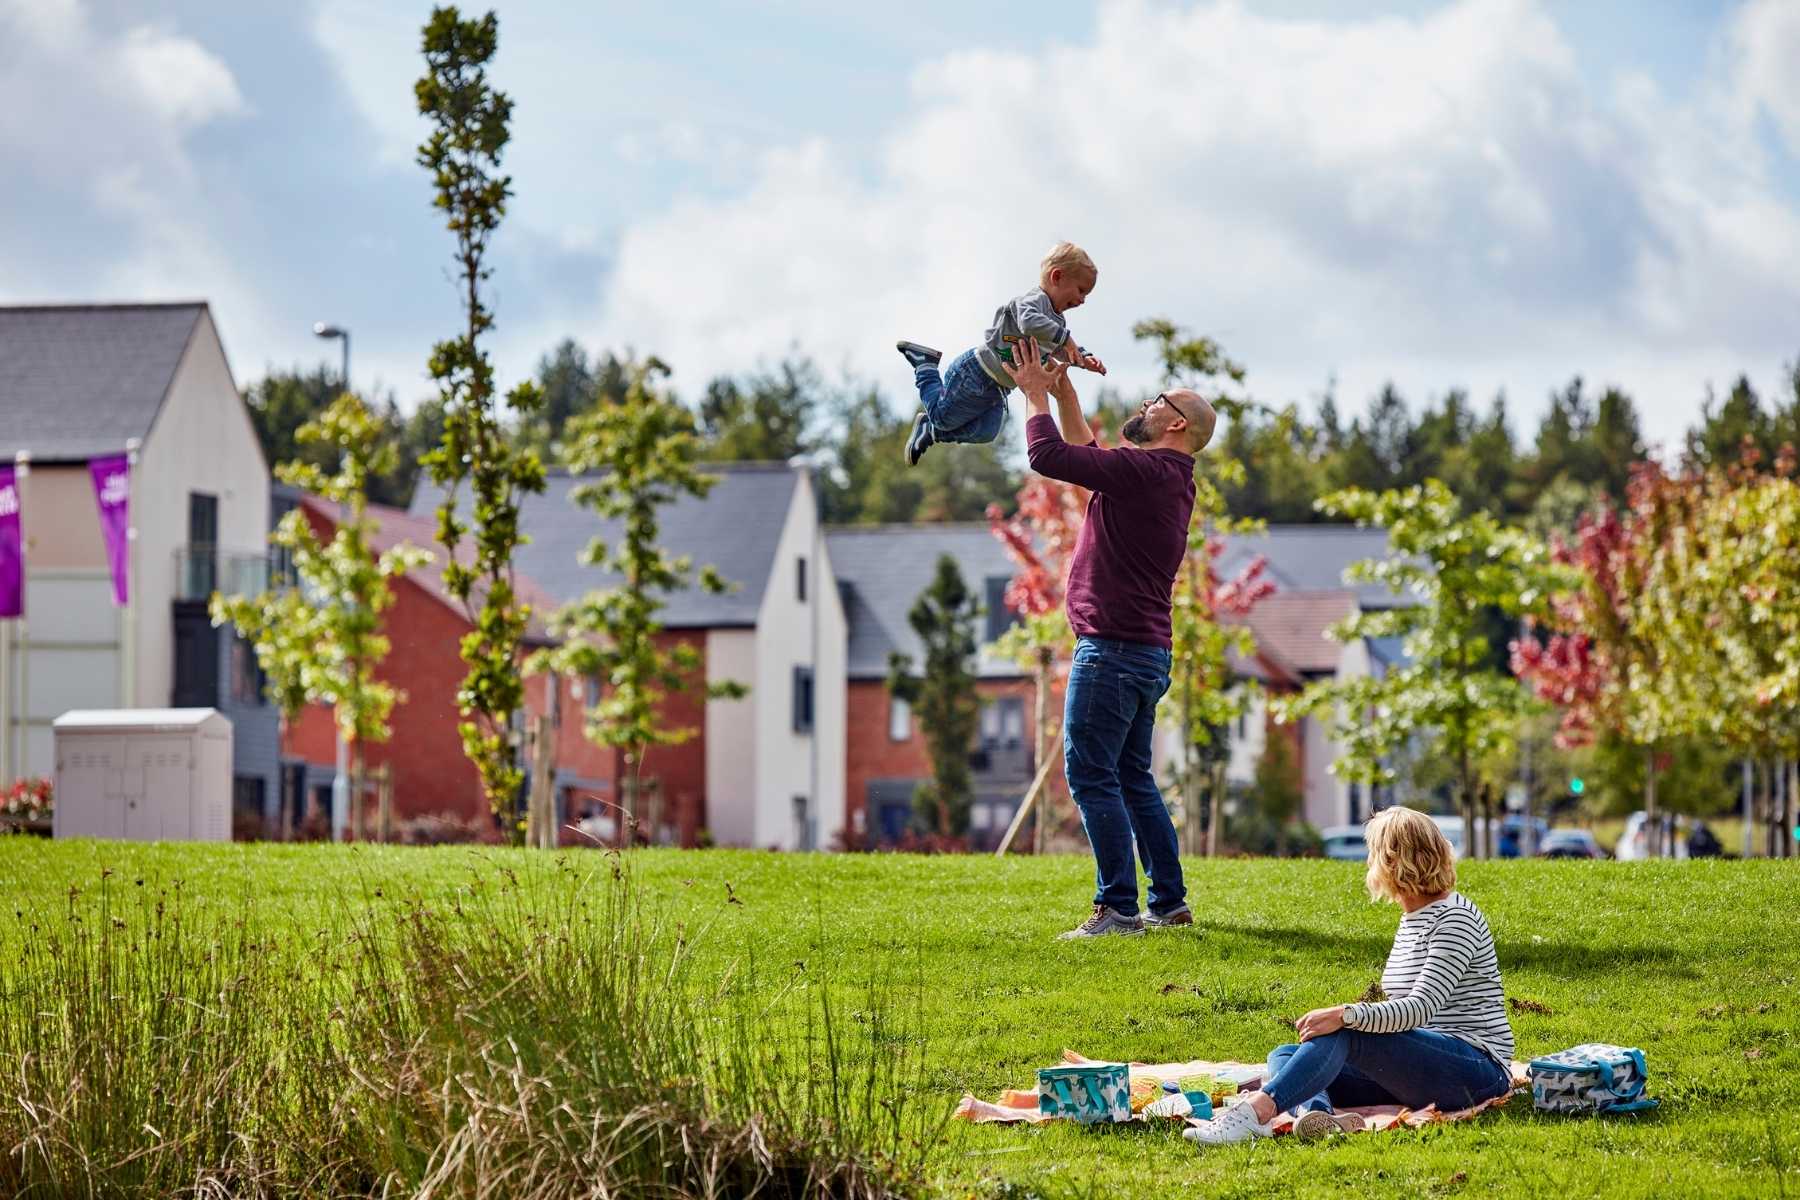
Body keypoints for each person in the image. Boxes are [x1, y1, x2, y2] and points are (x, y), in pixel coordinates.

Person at [1005, 340, 1216, 939]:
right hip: (1145, 653)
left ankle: (1118, 909)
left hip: (1114, 652)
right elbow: (1088, 456)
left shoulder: (1148, 472)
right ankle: (1169, 904)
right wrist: (1066, 390)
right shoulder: (1167, 478)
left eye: (1158, 400)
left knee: (1092, 774)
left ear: (1175, 422)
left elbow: (1048, 455)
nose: (1146, 403)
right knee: (1132, 776)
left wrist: (1033, 393)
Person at [1185, 806, 1517, 1145]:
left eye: (1373, 853)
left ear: (1391, 861)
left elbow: (1420, 1009)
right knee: (1285, 1056)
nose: (1368, 863)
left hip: (1476, 1070)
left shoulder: (1454, 919)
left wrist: (1345, 1015)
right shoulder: (1414, 916)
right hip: (1426, 1067)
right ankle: (1318, 1117)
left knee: (1345, 1032)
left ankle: (1254, 1114)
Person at [895, 242, 1106, 466]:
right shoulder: (1032, 302)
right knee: (941, 416)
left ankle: (932, 432)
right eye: (1081, 290)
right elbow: (1029, 323)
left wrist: (1082, 358)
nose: (1083, 300)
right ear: (1057, 277)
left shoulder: (1056, 322)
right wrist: (1066, 338)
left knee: (987, 432)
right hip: (975, 373)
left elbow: (1058, 349)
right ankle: (925, 366)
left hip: (998, 389)